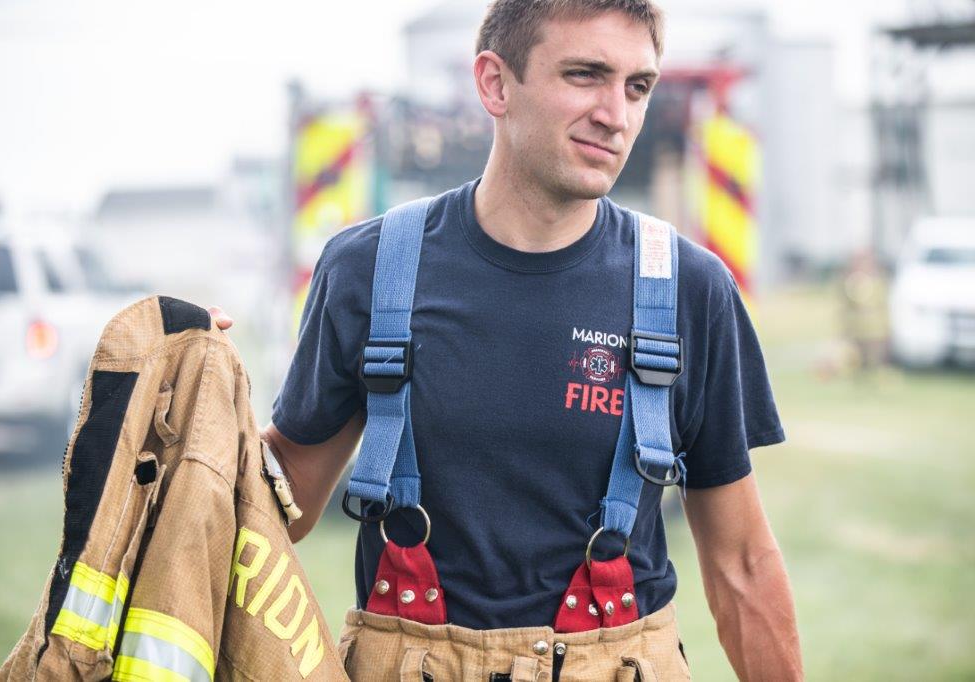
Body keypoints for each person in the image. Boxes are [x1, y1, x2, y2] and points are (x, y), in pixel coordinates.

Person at [213, 1, 803, 678]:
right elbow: (283, 506)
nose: (617, 114)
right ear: (494, 83)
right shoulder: (370, 272)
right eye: (586, 75)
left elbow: (742, 565)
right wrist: (201, 408)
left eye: (638, 86)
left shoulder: (690, 291)